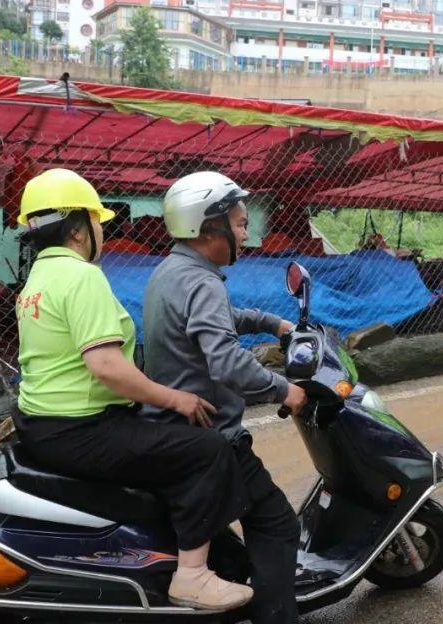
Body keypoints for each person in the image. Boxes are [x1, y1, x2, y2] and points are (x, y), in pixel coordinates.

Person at [11, 168, 254, 612]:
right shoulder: (81, 277)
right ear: (79, 228)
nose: (101, 230)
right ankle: (193, 577)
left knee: (165, 443)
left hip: (43, 426)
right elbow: (106, 366)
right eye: (98, 221)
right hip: (81, 429)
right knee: (206, 450)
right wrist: (173, 397)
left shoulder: (34, 284)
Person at [141, 171, 307, 624]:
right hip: (212, 436)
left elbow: (222, 318)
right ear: (208, 228)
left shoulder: (172, 271)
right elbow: (228, 363)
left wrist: (273, 323)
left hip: (171, 427)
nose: (245, 231)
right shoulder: (202, 281)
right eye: (238, 223)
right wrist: (285, 389)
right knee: (277, 525)